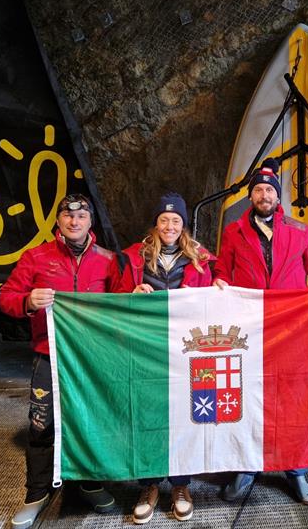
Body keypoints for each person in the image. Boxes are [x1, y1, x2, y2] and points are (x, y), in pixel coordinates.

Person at [213, 158, 308, 506]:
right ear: (251, 196)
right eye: (259, 190)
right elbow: (223, 266)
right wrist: (219, 279)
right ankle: (247, 466)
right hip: (249, 327)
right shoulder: (234, 232)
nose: (264, 195)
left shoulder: (298, 229)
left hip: (292, 328)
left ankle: (296, 469)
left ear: (278, 197)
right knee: (249, 396)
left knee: (292, 397)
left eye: (269, 190)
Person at [0, 194, 120, 528]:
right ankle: (37, 494)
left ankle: (90, 482)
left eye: (81, 216)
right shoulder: (36, 257)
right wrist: (27, 301)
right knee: (41, 424)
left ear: (90, 221)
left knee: (90, 420)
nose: (74, 221)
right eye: (68, 216)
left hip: (91, 357)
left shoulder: (108, 260)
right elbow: (6, 299)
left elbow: (122, 304)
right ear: (59, 221)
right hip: (48, 355)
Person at [114, 193, 213, 524]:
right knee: (148, 415)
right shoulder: (133, 257)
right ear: (155, 224)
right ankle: (149, 484)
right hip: (145, 350)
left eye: (176, 221)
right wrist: (130, 294)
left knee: (185, 416)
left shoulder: (200, 259)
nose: (170, 226)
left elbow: (214, 298)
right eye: (164, 220)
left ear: (183, 225)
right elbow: (110, 297)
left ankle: (182, 486)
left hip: (184, 353)